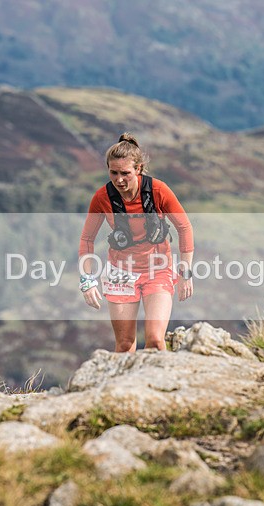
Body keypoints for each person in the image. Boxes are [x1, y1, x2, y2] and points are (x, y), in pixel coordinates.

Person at [78, 132, 194, 352]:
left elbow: (184, 227)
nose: (119, 180)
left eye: (125, 173)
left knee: (155, 340)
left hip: (158, 270)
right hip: (120, 272)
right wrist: (87, 280)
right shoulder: (102, 197)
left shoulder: (158, 190)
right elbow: (86, 240)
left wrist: (185, 273)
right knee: (124, 344)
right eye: (113, 173)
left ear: (138, 169)